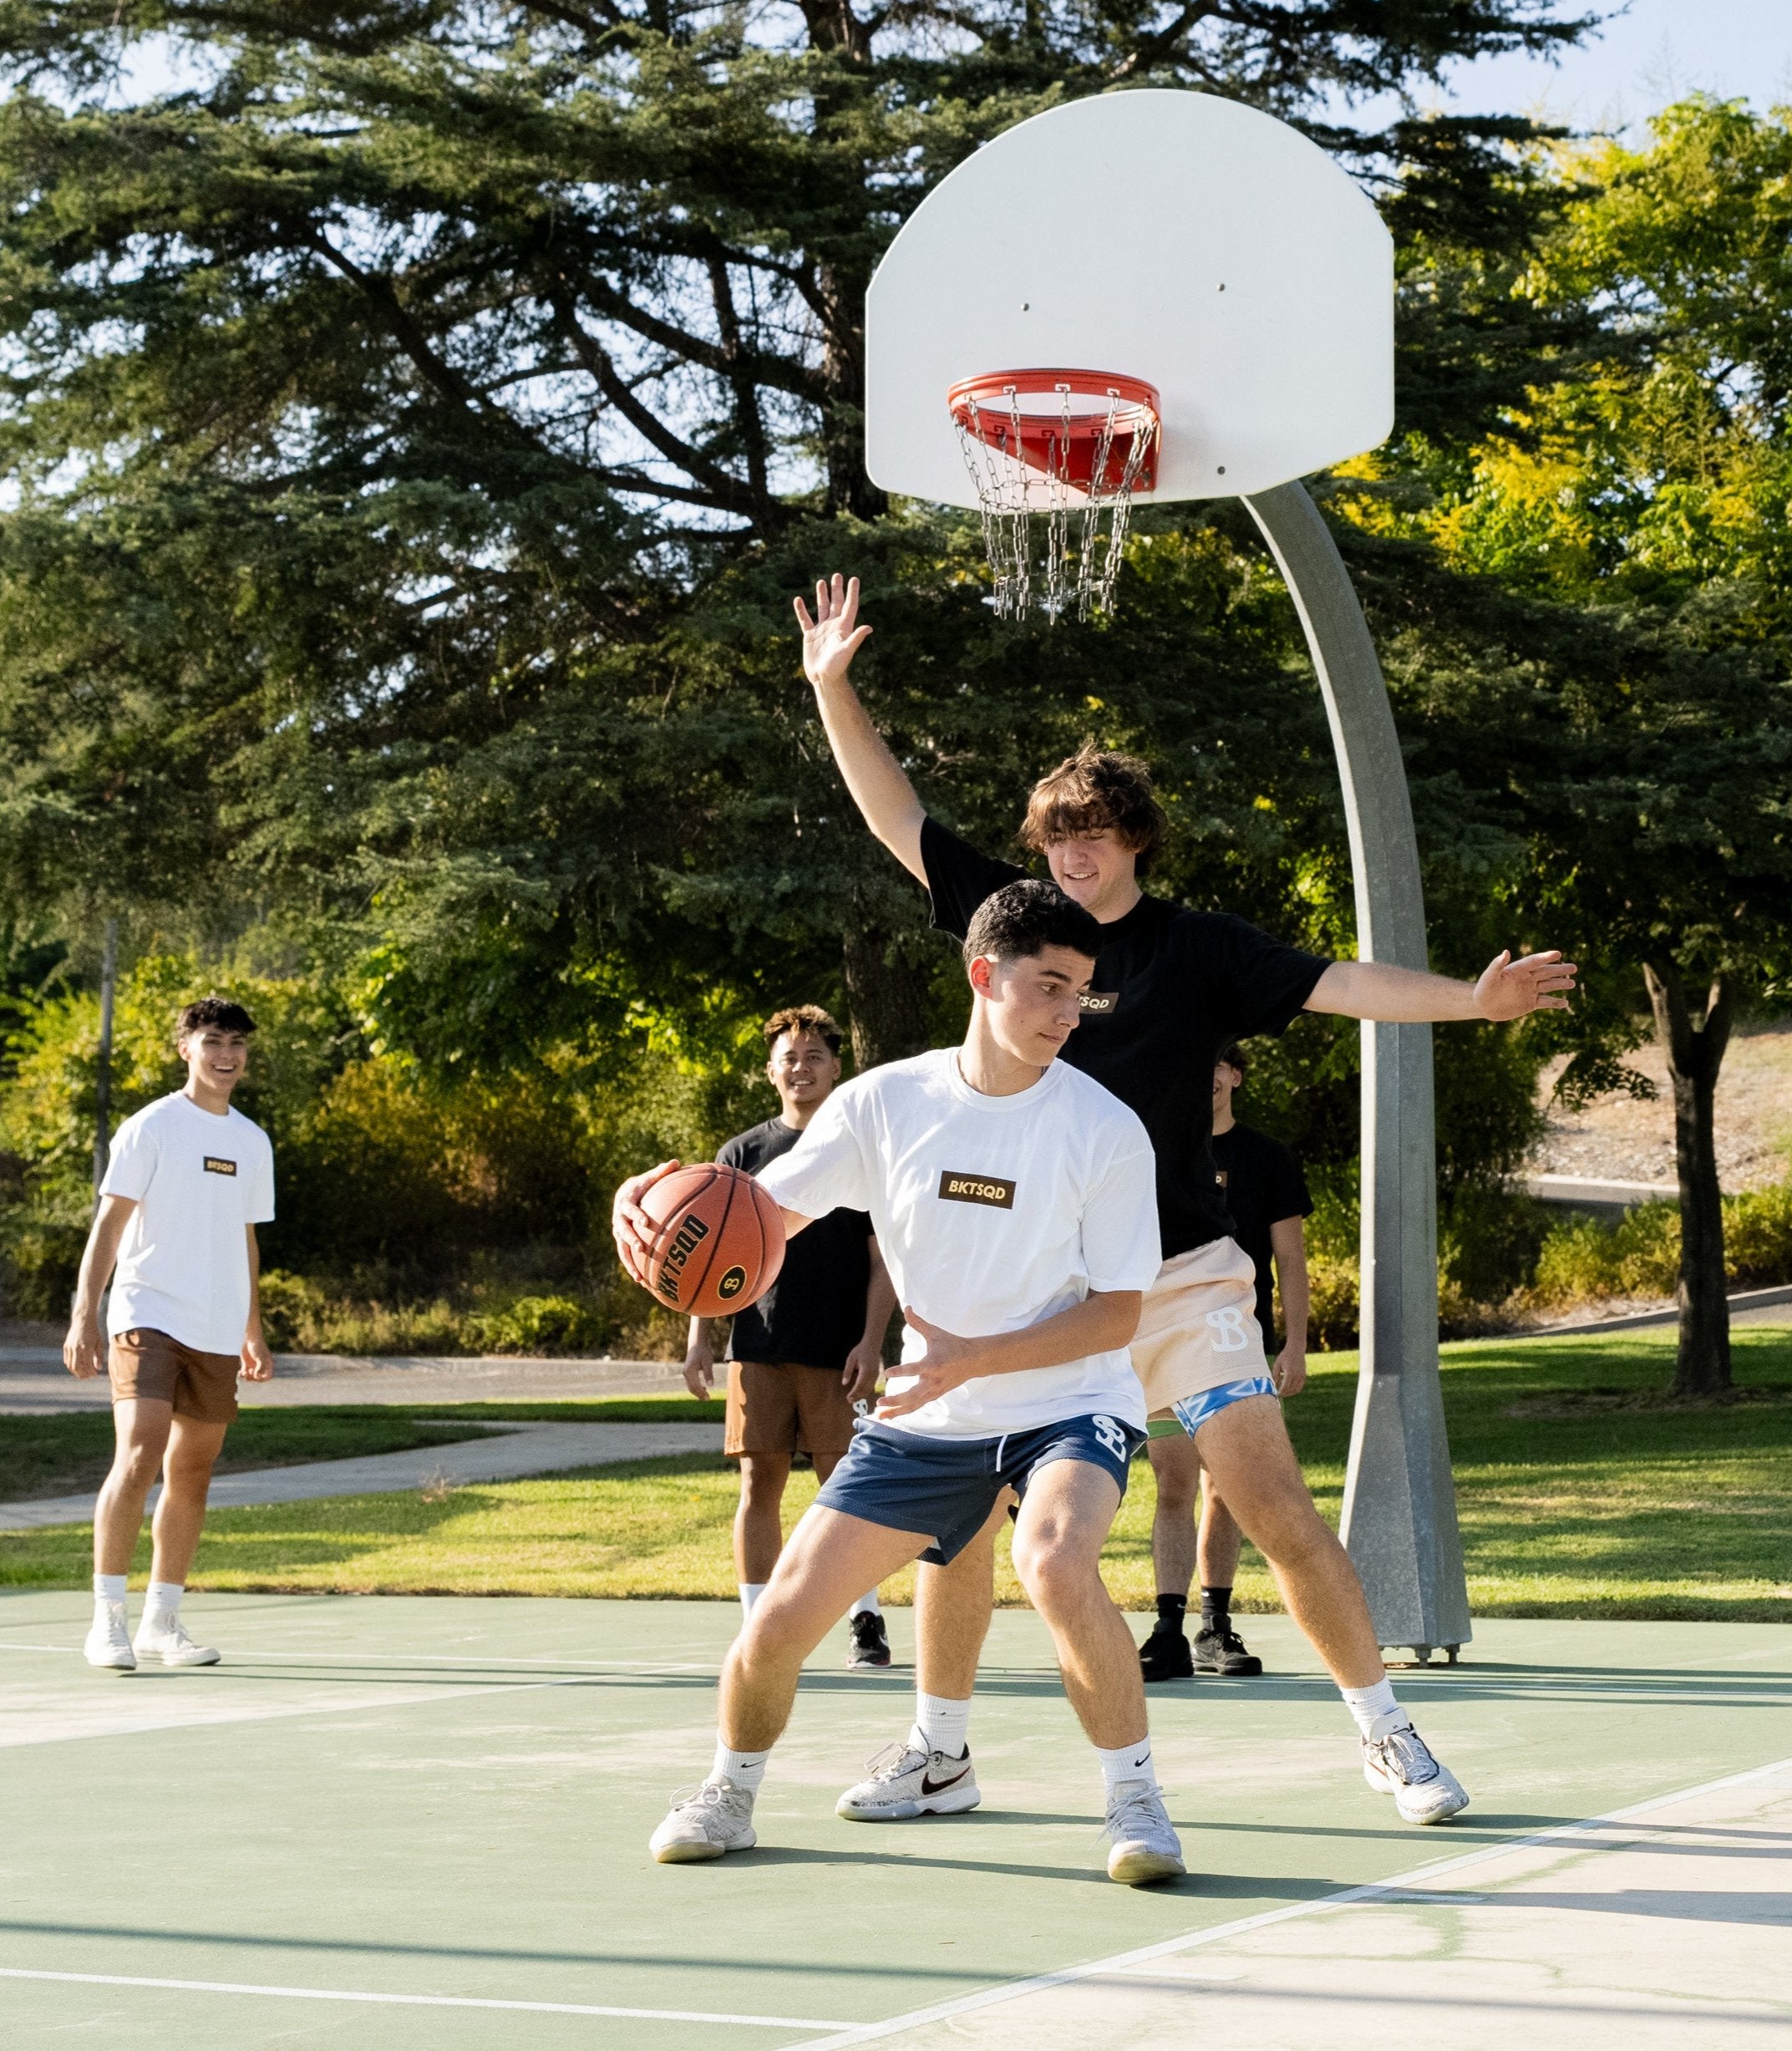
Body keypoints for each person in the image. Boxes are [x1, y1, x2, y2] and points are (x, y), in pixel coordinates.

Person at [781, 570, 1571, 1829]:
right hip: (1030, 1293)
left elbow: (1339, 982)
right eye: (1055, 835)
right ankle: (940, 1749)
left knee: (1273, 1506)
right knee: (960, 1527)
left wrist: (1469, 1004)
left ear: (1135, 841)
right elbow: (897, 816)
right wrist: (832, 686)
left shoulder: (1199, 948)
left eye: (1093, 834)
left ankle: (1387, 1733)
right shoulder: (1011, 926)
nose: (1070, 853)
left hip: (1180, 1278)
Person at [626, 881, 1185, 1884]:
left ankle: (1135, 1799)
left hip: (1069, 1401)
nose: (1069, 1011)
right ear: (983, 975)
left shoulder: (1103, 1127)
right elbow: (763, 1218)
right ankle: (728, 1790)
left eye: (1082, 991)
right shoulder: (885, 1103)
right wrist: (661, 1215)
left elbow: (1116, 1314)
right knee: (782, 1615)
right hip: (930, 1411)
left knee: (1052, 1561)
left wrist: (973, 1356)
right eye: (1050, 986)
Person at [62, 996, 276, 1670]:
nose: (227, 1055)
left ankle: (162, 1620)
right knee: (140, 1453)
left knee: (193, 1470)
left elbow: (244, 1237)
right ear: (186, 1048)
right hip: (146, 1313)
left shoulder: (252, 1140)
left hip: (216, 1326)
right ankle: (108, 1620)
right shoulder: (151, 1126)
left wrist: (252, 1328)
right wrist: (84, 1314)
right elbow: (109, 1225)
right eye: (213, 1041)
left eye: (237, 1043)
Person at [686, 1005, 900, 1669]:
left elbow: (883, 1263)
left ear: (836, 1067)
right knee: (759, 1486)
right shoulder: (740, 1155)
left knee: (847, 1488)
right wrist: (699, 1339)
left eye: (813, 1057)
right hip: (759, 1345)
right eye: (789, 1058)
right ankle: (759, 1624)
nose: (801, 1067)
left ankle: (864, 1617)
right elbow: (704, 1262)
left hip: (839, 1350)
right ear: (770, 1071)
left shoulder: (859, 1153)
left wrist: (871, 1341)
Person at [1140, 1043, 1314, 1683]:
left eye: (1217, 1063)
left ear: (1234, 1075)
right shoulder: (1152, 1148)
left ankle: (1214, 1626)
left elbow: (1289, 1259)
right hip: (1162, 1337)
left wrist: (1293, 1343)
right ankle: (1167, 1629)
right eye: (1197, 1062)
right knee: (1173, 1483)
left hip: (1234, 1342)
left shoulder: (1266, 1157)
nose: (1206, 1075)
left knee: (1228, 1485)